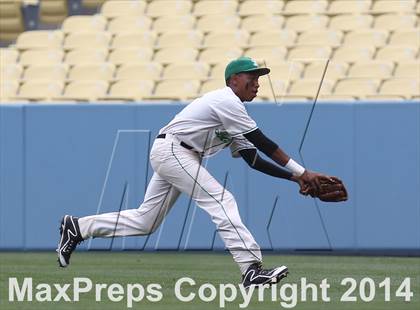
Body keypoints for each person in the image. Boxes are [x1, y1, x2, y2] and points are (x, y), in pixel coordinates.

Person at [57, 56, 330, 288]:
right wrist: (303, 171)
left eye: (259, 78)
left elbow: (253, 158)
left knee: (146, 222)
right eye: (252, 77)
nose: (257, 83)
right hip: (174, 150)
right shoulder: (226, 100)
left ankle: (78, 227)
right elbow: (262, 141)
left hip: (178, 154)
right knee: (221, 200)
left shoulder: (237, 114)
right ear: (234, 79)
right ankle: (251, 269)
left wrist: (294, 178)